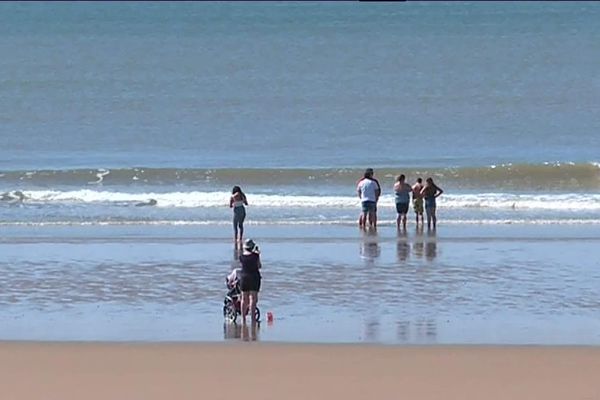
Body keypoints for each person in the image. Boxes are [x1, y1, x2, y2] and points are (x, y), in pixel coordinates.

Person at [239, 238, 262, 325]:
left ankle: (243, 318)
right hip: (254, 277)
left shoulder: (241, 257)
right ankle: (252, 318)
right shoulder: (255, 256)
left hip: (244, 278)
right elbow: (259, 266)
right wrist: (257, 254)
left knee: (244, 299)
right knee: (253, 299)